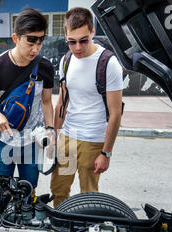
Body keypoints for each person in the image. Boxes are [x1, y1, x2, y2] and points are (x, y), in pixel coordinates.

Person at [50, 7, 124, 207]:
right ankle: (60, 227)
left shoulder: (108, 63)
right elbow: (62, 103)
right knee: (59, 190)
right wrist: (54, 136)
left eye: (83, 40)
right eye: (71, 41)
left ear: (93, 32)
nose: (77, 47)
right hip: (67, 137)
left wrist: (106, 153)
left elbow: (116, 113)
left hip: (93, 141)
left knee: (88, 196)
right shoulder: (66, 61)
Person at [0, 8, 55, 191]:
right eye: (30, 41)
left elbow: (46, 102)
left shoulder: (45, 66)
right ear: (15, 38)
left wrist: (50, 129)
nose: (35, 49)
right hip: (3, 139)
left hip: (32, 141)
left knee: (28, 188)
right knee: (1, 189)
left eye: (40, 41)